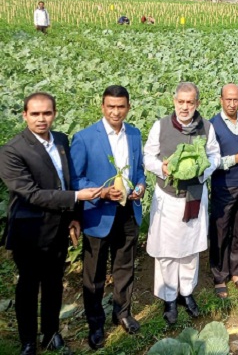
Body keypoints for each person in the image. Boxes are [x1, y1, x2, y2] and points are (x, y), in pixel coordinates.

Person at [0, 93, 101, 355]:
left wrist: (75, 216)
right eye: (35, 114)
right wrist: (77, 197)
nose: (41, 119)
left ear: (54, 114)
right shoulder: (12, 151)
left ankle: (50, 333)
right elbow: (31, 194)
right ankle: (28, 341)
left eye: (46, 113)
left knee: (55, 283)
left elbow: (66, 181)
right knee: (28, 286)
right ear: (25, 115)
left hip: (58, 226)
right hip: (30, 231)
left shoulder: (61, 140)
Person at [70, 86, 146, 349]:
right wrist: (101, 192)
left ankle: (122, 313)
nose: (116, 111)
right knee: (95, 274)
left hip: (127, 211)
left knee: (125, 266)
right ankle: (95, 324)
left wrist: (140, 187)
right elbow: (75, 179)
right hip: (98, 214)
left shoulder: (134, 134)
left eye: (121, 106)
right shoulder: (84, 137)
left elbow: (139, 171)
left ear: (128, 107)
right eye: (110, 106)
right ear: (102, 106)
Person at [143, 82, 221, 324]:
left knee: (189, 250)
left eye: (190, 102)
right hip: (167, 197)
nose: (185, 107)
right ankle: (168, 298)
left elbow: (214, 156)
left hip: (194, 197)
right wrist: (163, 168)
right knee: (166, 251)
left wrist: (200, 172)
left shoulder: (206, 127)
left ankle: (186, 294)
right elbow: (148, 157)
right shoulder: (160, 126)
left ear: (197, 103)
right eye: (181, 102)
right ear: (174, 101)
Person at [209, 84, 238, 298]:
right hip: (223, 187)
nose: (232, 104)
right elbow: (210, 162)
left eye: (236, 100)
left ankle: (236, 271)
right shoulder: (213, 126)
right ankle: (220, 276)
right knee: (220, 231)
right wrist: (236, 159)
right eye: (228, 99)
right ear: (221, 100)